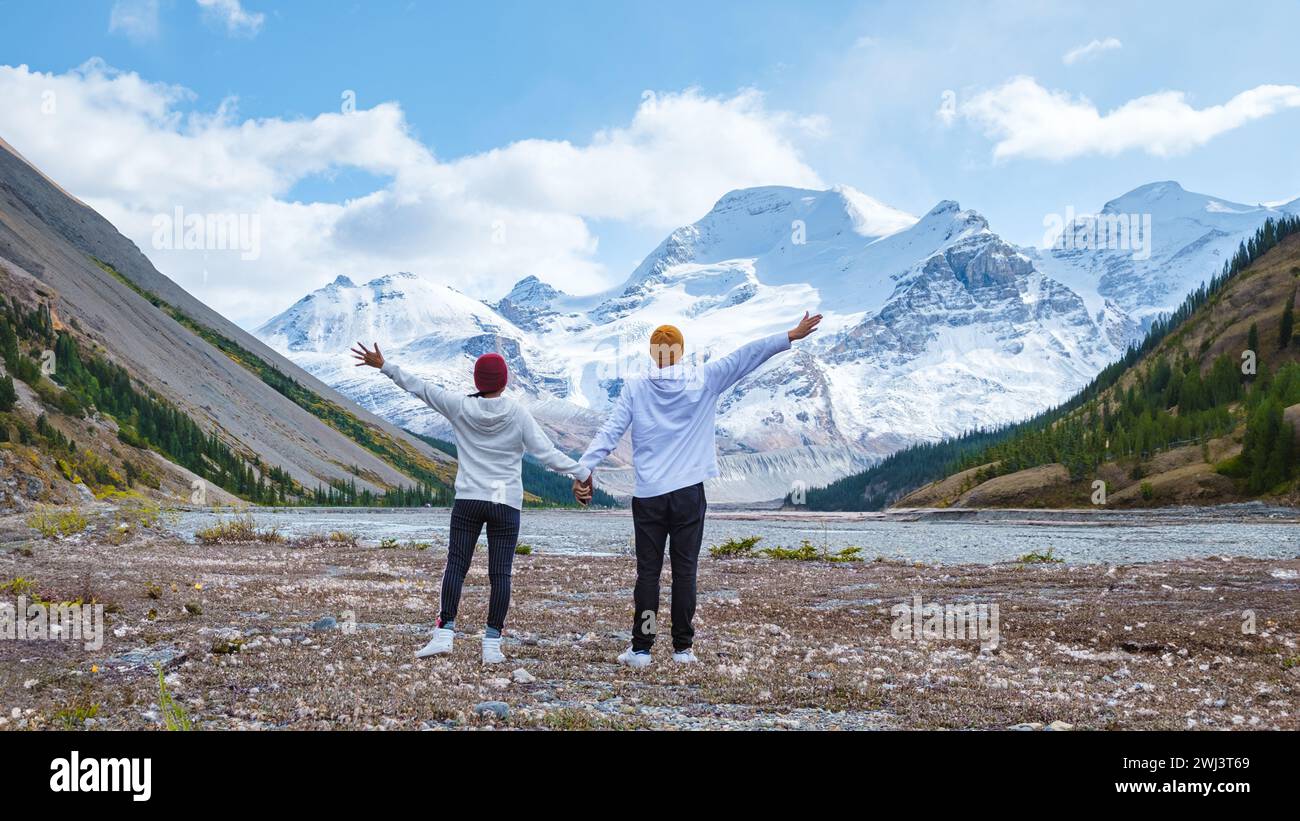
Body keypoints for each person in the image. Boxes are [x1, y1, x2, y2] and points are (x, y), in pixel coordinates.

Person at [573, 312, 822, 667]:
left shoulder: (636, 387)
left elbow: (609, 433)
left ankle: (642, 649)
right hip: (689, 494)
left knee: (648, 572)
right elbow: (746, 356)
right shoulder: (703, 379)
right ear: (679, 352)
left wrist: (583, 471)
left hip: (649, 496)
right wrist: (790, 336)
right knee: (685, 571)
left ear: (652, 353)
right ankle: (682, 650)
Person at [351, 342, 592, 664]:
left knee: (457, 566)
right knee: (500, 574)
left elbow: (420, 388)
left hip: (469, 499)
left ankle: (444, 634)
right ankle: (492, 645)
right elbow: (546, 454)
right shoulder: (518, 413)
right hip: (505, 501)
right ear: (505, 382)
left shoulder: (459, 406)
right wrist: (582, 472)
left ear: (477, 382)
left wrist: (384, 365)